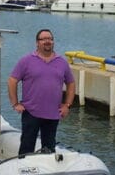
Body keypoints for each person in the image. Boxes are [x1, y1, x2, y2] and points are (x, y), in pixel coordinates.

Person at [7, 28, 76, 156]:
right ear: (37, 43)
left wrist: (67, 105)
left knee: (49, 149)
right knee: (26, 147)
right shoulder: (26, 61)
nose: (47, 41)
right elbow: (12, 80)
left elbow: (71, 83)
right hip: (31, 112)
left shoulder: (62, 63)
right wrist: (15, 103)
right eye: (43, 39)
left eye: (50, 38)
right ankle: (24, 171)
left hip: (53, 113)